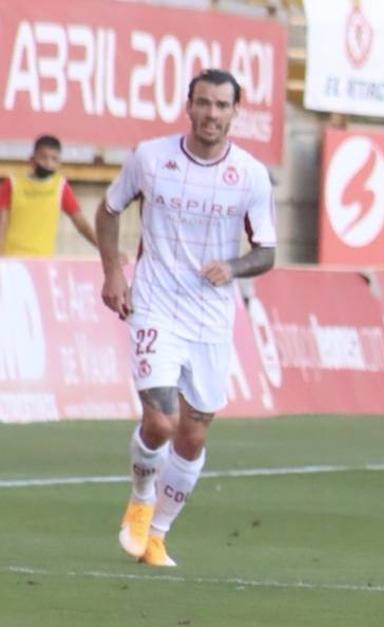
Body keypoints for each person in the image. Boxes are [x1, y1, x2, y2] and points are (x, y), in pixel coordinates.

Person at [98, 69, 276, 568]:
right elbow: (109, 210)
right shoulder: (151, 158)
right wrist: (114, 272)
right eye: (203, 103)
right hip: (154, 305)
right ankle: (140, 495)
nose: (211, 114)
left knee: (193, 435)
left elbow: (267, 251)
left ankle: (157, 533)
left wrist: (235, 266)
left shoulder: (250, 176)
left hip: (212, 318)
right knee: (161, 418)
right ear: (188, 105)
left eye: (222, 105)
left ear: (236, 112)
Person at [0, 135, 100, 257]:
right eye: (43, 157)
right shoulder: (12, 183)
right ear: (32, 159)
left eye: (54, 159)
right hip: (12, 259)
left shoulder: (60, 186)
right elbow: (2, 222)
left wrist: (106, 251)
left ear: (59, 163)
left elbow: (81, 223)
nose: (48, 163)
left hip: (44, 261)